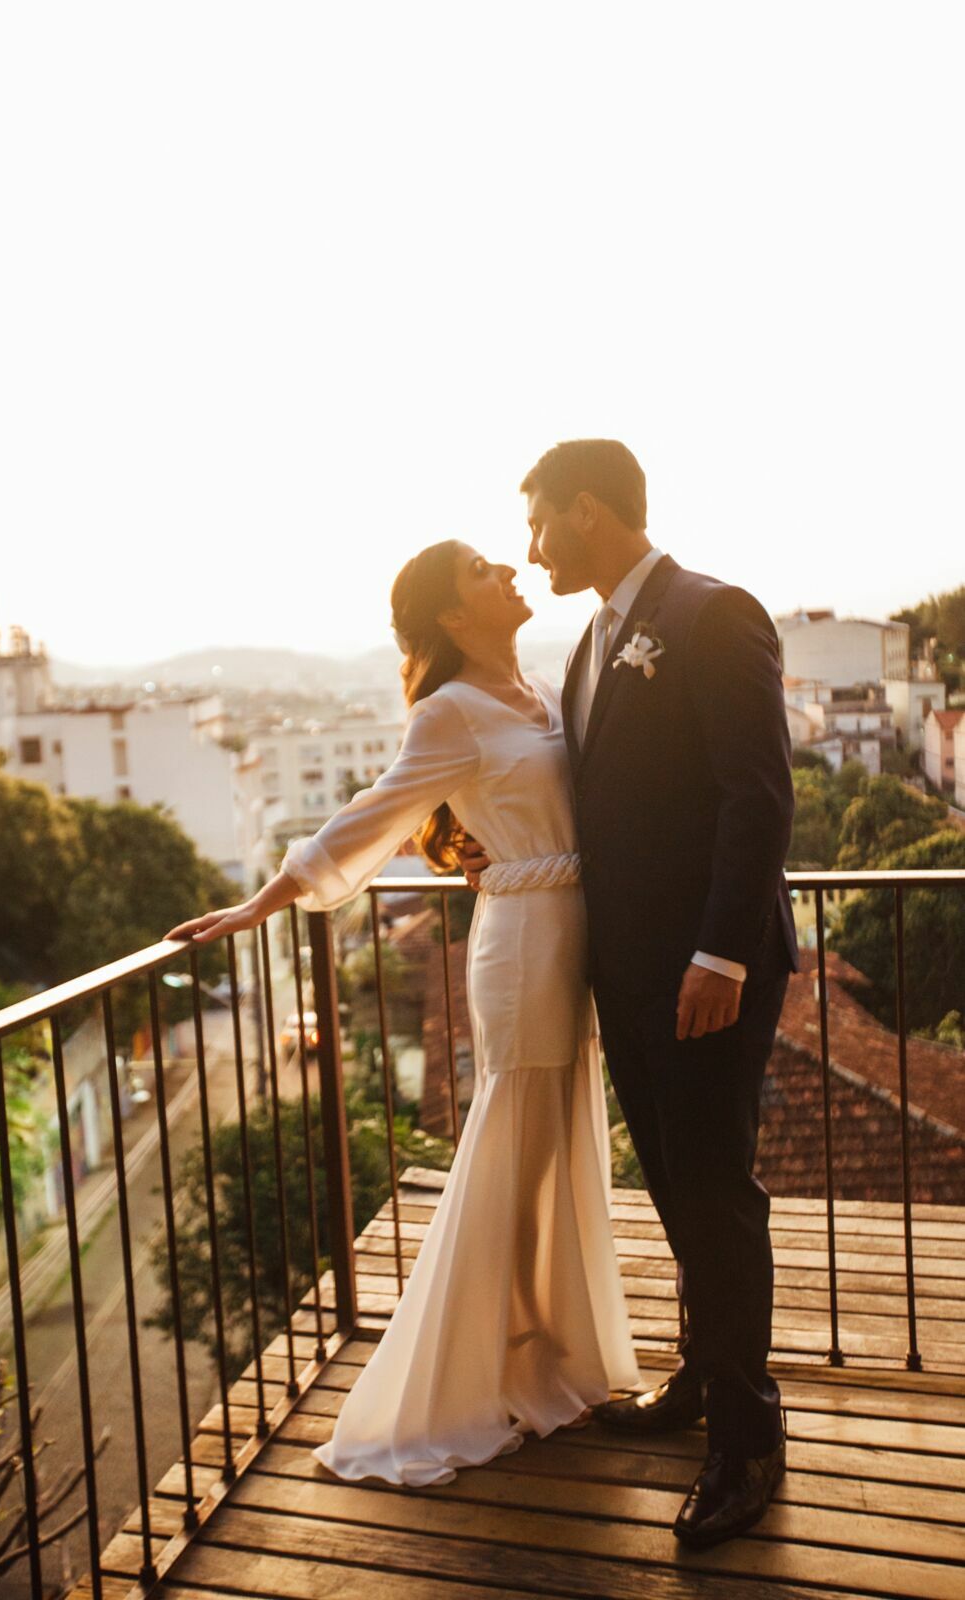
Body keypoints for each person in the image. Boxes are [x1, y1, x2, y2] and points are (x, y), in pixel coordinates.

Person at [164, 538, 640, 1488]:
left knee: (554, 1155)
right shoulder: (448, 710)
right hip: (522, 948)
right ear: (452, 615)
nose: (508, 571)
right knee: (513, 1159)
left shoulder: (546, 689)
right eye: (481, 570)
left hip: (571, 938)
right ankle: (467, 1380)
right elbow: (373, 814)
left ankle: (543, 1355)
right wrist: (262, 903)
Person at [466, 438, 799, 1549]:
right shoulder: (587, 644)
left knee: (713, 1191)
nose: (530, 550)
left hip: (707, 973)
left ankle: (747, 1441)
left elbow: (756, 795)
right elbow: (593, 800)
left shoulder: (713, 613)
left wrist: (722, 956)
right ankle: (702, 1375)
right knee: (671, 1183)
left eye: (537, 525)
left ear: (587, 510)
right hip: (627, 972)